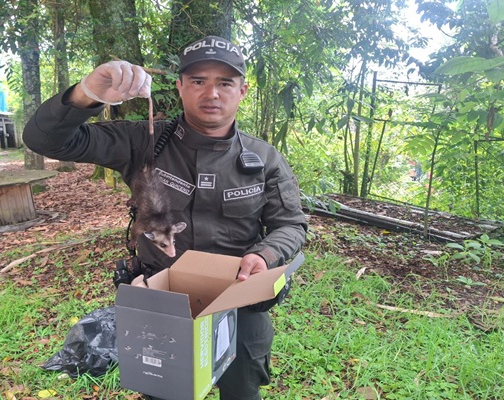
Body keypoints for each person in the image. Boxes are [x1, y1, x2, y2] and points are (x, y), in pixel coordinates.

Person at [23, 35, 307, 400]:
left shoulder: (263, 158)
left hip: (239, 302)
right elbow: (46, 141)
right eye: (198, 81)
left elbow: (290, 224)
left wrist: (265, 255)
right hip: (161, 303)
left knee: (241, 391)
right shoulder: (143, 140)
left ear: (242, 91)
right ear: (180, 87)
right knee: (164, 391)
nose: (211, 93)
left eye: (225, 83)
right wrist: (86, 93)